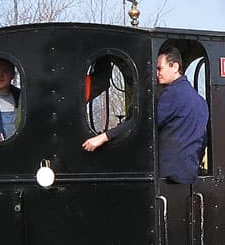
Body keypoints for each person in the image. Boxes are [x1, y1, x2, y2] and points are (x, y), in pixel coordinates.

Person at [82, 45, 209, 185]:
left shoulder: (172, 94)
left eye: (159, 68)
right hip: (189, 174)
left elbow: (143, 123)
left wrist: (103, 137)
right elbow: (202, 140)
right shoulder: (200, 101)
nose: (156, 73)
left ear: (174, 67)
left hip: (167, 176)